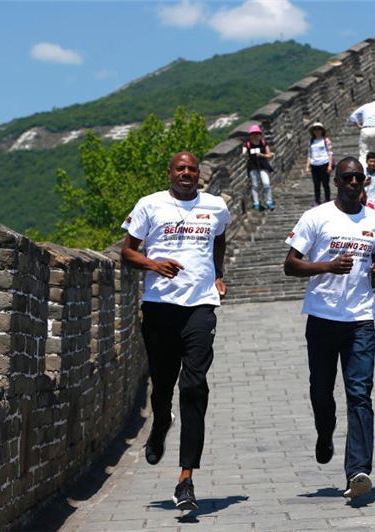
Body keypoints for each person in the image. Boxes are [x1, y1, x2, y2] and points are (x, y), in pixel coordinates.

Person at [120, 151, 231, 511]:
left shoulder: (215, 206)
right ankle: (160, 422)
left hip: (201, 306)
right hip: (160, 308)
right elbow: (127, 252)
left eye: (192, 169)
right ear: (169, 172)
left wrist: (217, 275)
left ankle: (186, 479)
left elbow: (219, 239)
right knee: (163, 385)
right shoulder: (150, 205)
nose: (186, 173)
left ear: (199, 174)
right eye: (180, 168)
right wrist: (153, 264)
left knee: (195, 386)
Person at [283, 157, 375, 499]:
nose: (355, 182)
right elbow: (290, 265)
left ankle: (358, 470)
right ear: (336, 180)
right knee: (321, 393)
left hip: (360, 320)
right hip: (323, 319)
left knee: (359, 394)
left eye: (360, 177)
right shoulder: (317, 217)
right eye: (348, 177)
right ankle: (324, 431)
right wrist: (326, 266)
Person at [243, 124, 275, 211]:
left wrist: (262, 155)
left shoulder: (263, 143)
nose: (255, 135)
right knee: (255, 185)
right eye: (253, 134)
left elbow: (269, 155)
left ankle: (269, 202)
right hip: (252, 166)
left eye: (257, 133)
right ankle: (256, 203)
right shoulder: (248, 144)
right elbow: (243, 153)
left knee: (266, 184)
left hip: (263, 165)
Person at [306, 122, 333, 205]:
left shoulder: (325, 140)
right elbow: (309, 155)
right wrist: (307, 167)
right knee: (316, 184)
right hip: (314, 165)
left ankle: (327, 200)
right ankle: (317, 201)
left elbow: (330, 153)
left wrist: (329, 165)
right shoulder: (311, 141)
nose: (317, 131)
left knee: (325, 183)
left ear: (322, 130)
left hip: (324, 163)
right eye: (315, 129)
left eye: (319, 129)